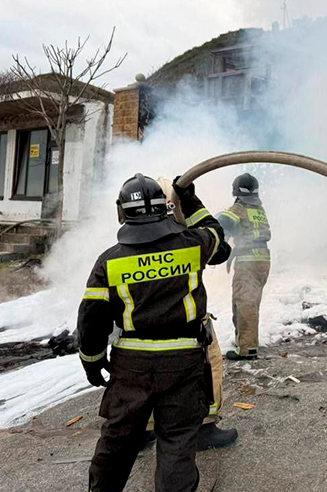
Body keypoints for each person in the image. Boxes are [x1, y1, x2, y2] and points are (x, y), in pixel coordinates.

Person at [77, 173, 230, 492]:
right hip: (183, 363)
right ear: (165, 209)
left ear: (122, 213)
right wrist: (190, 200)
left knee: (117, 440)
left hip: (131, 366)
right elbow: (218, 239)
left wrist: (92, 361)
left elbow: (92, 319)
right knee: (176, 443)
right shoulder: (192, 245)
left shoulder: (110, 261)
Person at [216, 173, 271, 361]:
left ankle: (247, 349)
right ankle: (244, 341)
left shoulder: (239, 208)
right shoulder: (259, 209)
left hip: (249, 262)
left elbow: (223, 223)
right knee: (248, 302)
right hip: (262, 260)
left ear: (236, 191)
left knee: (244, 304)